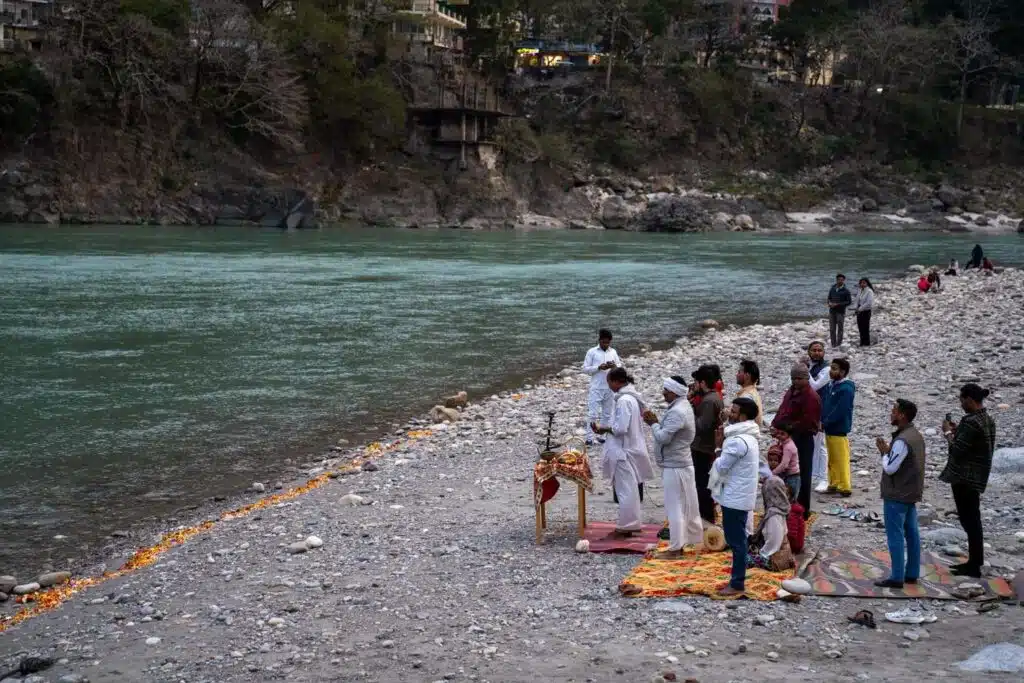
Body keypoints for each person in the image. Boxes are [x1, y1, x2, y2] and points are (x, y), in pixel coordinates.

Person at [940, 384, 997, 577]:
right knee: (974, 519)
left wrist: (948, 433)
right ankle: (975, 561)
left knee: (969, 520)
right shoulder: (987, 420)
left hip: (965, 477)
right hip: (977, 476)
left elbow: (957, 450)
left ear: (970, 400)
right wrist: (958, 432)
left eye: (962, 400)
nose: (961, 404)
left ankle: (973, 565)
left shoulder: (972, 422)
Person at [644, 376, 704, 559]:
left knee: (675, 507)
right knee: (685, 504)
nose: (663, 393)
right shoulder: (682, 407)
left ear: (675, 392)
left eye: (666, 390)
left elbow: (663, 438)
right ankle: (687, 541)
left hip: (675, 465)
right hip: (679, 463)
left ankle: (676, 548)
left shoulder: (678, 411)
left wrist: (653, 423)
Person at [591, 368, 655, 538]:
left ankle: (627, 525)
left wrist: (602, 428)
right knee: (630, 488)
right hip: (628, 448)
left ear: (616, 381)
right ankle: (632, 522)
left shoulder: (624, 401)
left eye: (609, 382)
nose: (609, 386)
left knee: (625, 489)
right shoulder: (630, 398)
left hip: (623, 451)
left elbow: (620, 428)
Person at [709, 397, 761, 597]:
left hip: (734, 497)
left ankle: (737, 583)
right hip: (740, 494)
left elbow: (721, 466)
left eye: (734, 411)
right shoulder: (749, 436)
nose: (729, 414)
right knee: (738, 538)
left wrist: (717, 446)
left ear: (743, 415)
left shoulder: (737, 441)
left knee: (737, 541)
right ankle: (737, 578)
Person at [874, 399, 925, 589]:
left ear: (902, 415)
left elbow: (890, 468)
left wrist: (883, 453)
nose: (891, 413)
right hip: (911, 492)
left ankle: (896, 576)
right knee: (912, 533)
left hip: (897, 494)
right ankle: (912, 573)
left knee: (895, 535)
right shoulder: (915, 435)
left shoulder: (902, 440)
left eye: (894, 411)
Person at [772, 363, 821, 519]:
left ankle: (802, 511)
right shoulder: (791, 392)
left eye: (799, 378)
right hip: (787, 438)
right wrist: (775, 424)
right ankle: (788, 506)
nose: (796, 381)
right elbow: (782, 409)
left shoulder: (811, 397)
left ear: (807, 378)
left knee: (802, 474)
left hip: (802, 440)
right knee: (787, 472)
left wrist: (786, 428)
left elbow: (810, 424)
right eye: (794, 378)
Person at [690, 365, 725, 524]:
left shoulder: (709, 401)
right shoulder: (713, 398)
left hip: (703, 448)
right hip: (706, 446)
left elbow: (702, 426)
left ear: (702, 383)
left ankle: (706, 518)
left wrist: (690, 411)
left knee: (702, 484)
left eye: (696, 382)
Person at [747, 464, 796, 572]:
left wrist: (760, 555)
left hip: (774, 559)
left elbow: (774, 542)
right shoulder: (780, 508)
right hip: (774, 553)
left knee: (743, 559)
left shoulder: (774, 515)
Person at [821, 358, 856, 497]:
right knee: (832, 457)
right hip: (829, 427)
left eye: (834, 369)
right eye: (831, 368)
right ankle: (834, 482)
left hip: (838, 428)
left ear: (842, 372)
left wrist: (827, 421)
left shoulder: (846, 388)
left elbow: (841, 410)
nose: (831, 371)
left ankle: (845, 485)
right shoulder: (832, 386)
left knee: (840, 457)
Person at [582, 329, 621, 446]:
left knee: (607, 413)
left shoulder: (613, 352)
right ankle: (589, 438)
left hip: (610, 388)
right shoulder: (592, 352)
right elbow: (585, 368)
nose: (606, 345)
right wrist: (598, 367)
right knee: (592, 413)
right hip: (596, 387)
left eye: (608, 342)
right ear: (599, 340)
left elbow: (619, 366)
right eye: (604, 342)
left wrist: (614, 366)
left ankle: (602, 436)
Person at [807, 342, 831, 493]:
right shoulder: (810, 366)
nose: (816, 353)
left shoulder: (826, 369)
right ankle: (811, 474)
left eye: (819, 350)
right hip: (808, 410)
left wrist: (804, 372)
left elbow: (815, 386)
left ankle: (823, 478)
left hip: (820, 411)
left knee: (821, 445)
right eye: (813, 350)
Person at [768, 422, 801, 501]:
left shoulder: (788, 447)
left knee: (789, 501)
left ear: (789, 435)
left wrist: (772, 473)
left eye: (782, 434)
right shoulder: (784, 443)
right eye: (778, 433)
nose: (779, 436)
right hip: (787, 476)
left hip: (792, 477)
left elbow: (784, 465)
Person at [735, 359, 763, 429]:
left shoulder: (746, 397)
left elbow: (742, 423)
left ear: (747, 376)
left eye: (739, 372)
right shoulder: (752, 392)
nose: (736, 375)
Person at [827, 273, 852, 348]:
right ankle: (833, 344)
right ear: (836, 280)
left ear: (844, 280)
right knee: (832, 329)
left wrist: (837, 304)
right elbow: (829, 298)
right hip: (832, 311)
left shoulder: (846, 291)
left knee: (840, 329)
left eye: (842, 280)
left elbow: (849, 302)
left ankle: (839, 344)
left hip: (840, 312)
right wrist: (829, 303)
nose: (840, 281)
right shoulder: (832, 288)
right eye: (839, 279)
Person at [854, 278, 874, 347]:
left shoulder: (869, 291)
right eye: (861, 283)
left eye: (864, 283)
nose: (862, 284)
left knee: (865, 327)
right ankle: (862, 342)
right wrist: (856, 308)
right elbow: (857, 300)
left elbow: (869, 303)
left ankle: (867, 342)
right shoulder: (860, 290)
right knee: (860, 327)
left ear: (867, 283)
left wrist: (860, 308)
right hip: (859, 311)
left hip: (866, 311)